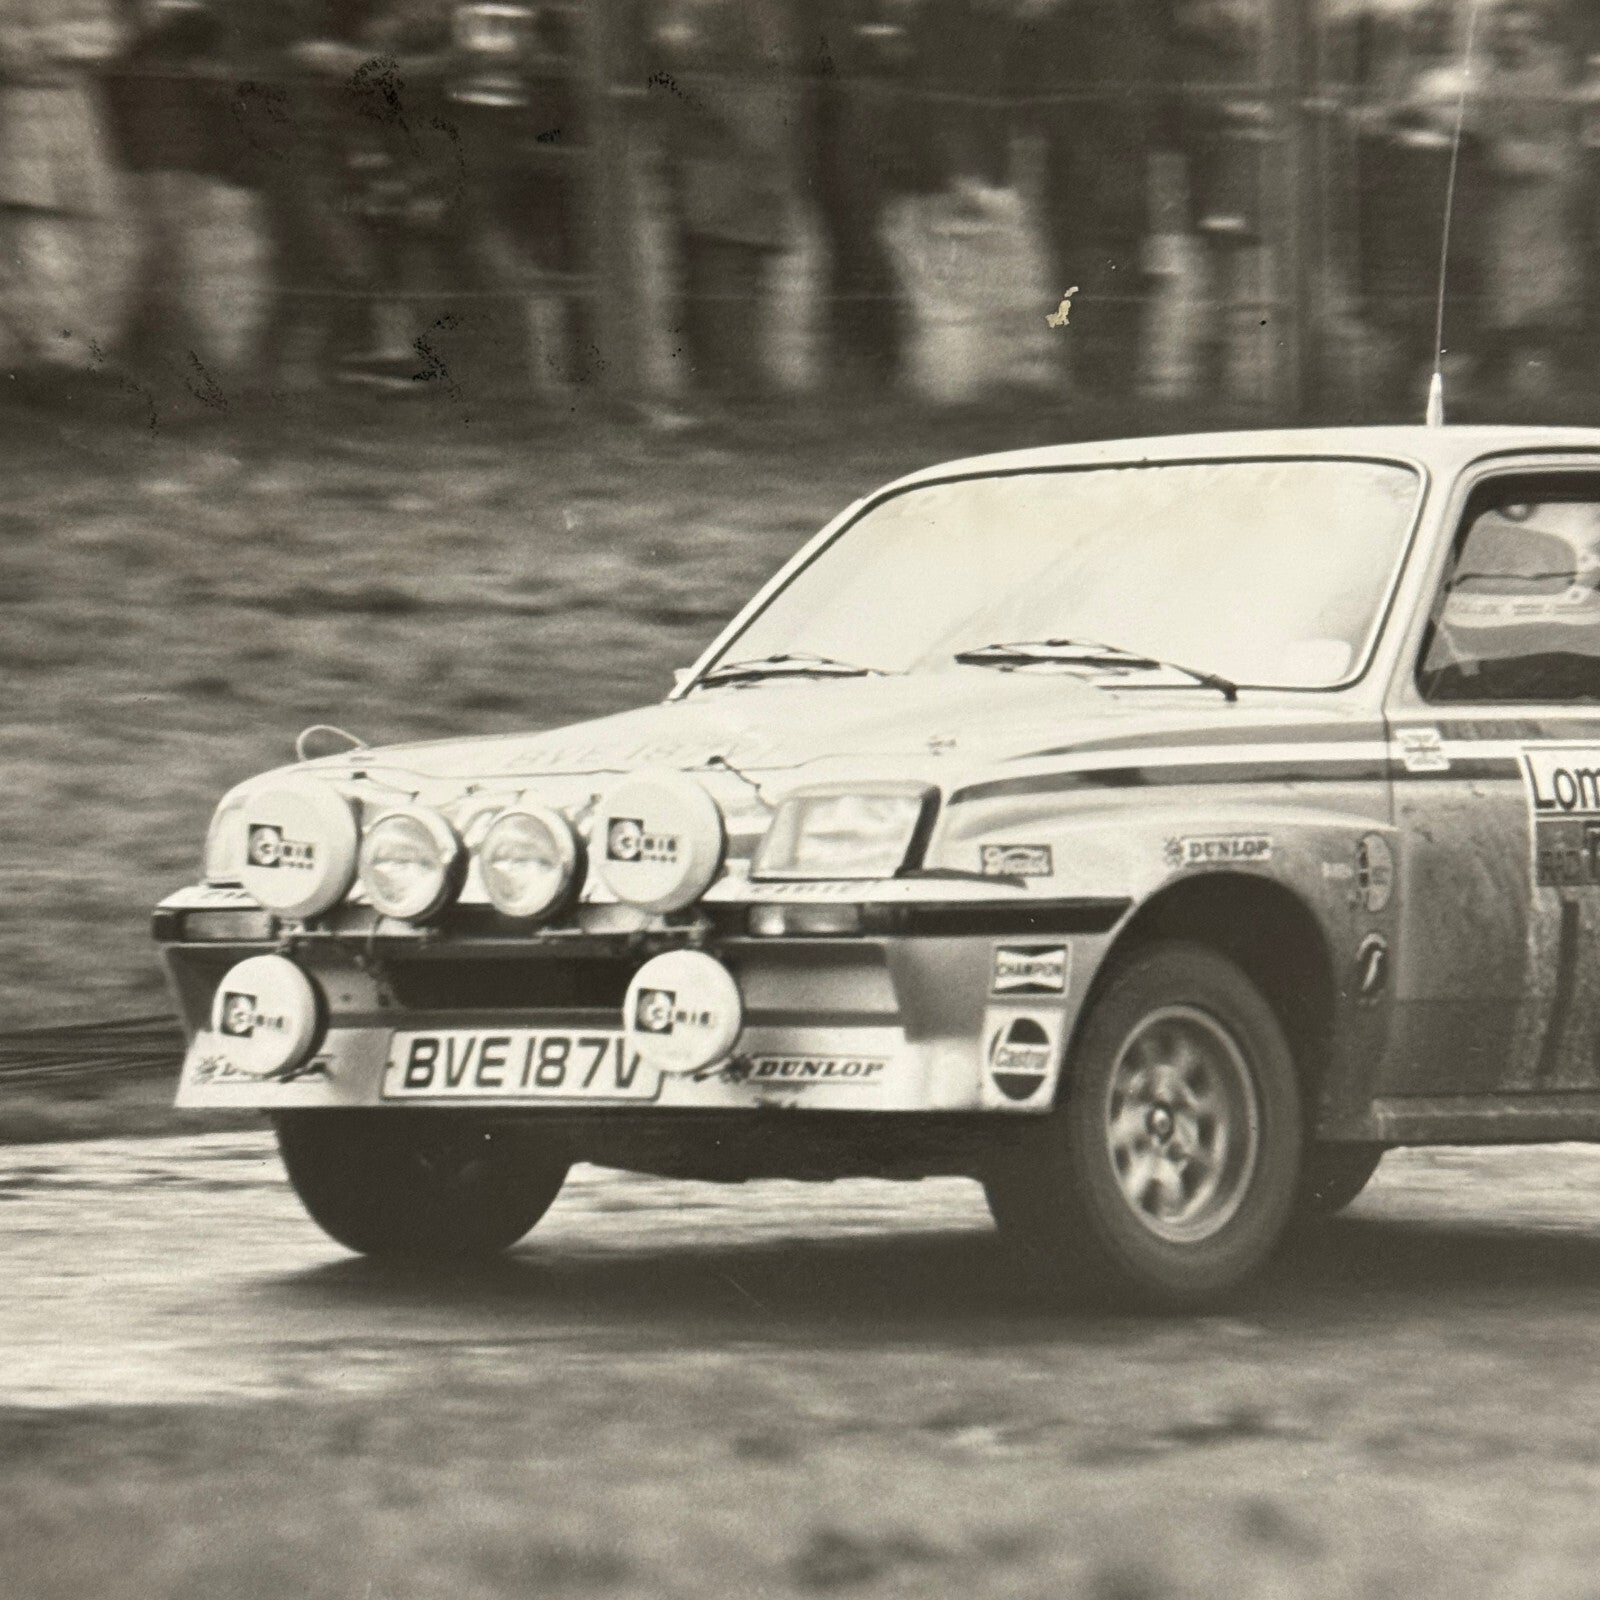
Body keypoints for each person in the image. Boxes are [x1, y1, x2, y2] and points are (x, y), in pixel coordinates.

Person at [650, 0, 794, 399]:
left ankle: (732, 385)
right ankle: (724, 385)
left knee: (732, 275)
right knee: (719, 273)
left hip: (734, 167)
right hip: (721, 168)